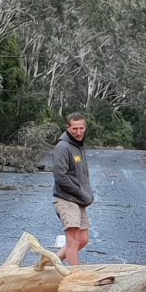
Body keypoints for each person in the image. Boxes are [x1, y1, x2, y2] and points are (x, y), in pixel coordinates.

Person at [52, 113, 93, 266]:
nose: (78, 132)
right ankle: (74, 276)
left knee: (83, 239)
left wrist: (85, 194)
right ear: (68, 128)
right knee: (73, 239)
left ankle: (51, 262)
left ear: (85, 127)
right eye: (75, 128)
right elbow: (60, 177)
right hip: (66, 198)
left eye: (81, 128)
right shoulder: (63, 147)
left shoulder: (79, 146)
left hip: (79, 200)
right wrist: (81, 193)